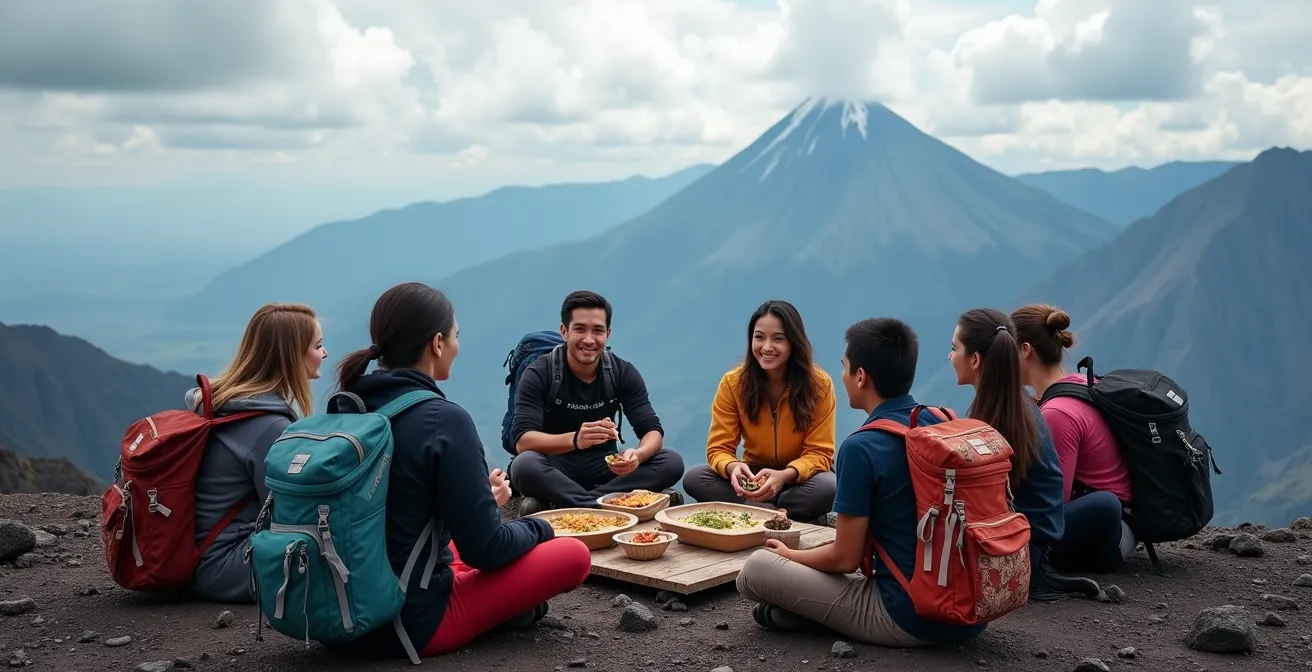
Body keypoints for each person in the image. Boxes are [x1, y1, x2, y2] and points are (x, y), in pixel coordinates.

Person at [332, 282, 591, 659]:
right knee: (573, 555)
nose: (456, 345)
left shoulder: (348, 406)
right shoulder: (443, 420)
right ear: (437, 343)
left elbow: (394, 509)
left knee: (456, 549)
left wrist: (481, 500)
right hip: (412, 623)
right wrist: (543, 527)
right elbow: (487, 548)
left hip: (338, 612)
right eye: (455, 336)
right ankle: (501, 610)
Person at [736, 317, 983, 646]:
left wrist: (789, 555)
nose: (843, 376)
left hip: (909, 617)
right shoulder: (941, 420)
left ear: (861, 377)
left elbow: (844, 559)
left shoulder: (860, 448)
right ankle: (805, 612)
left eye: (845, 367)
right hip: (972, 609)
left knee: (757, 569)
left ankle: (810, 615)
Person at [949, 307, 1100, 599]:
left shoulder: (994, 420)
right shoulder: (1018, 408)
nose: (950, 357)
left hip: (1018, 548)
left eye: (954, 349)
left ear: (976, 360)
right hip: (1035, 544)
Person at [188, 302, 326, 603]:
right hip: (227, 565)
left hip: (200, 556)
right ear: (292, 356)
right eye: (317, 346)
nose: (324, 354)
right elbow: (288, 515)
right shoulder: (269, 427)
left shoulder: (220, 403)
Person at [509, 290, 684, 514]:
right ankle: (613, 502)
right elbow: (523, 441)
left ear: (608, 334)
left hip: (606, 465)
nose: (589, 340)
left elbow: (652, 431)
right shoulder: (539, 373)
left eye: (598, 331)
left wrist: (636, 457)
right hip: (556, 465)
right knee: (524, 465)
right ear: (564, 331)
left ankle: (574, 504)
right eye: (580, 329)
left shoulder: (622, 372)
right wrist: (575, 439)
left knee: (671, 461)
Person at [684, 300, 837, 523]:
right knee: (696, 478)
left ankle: (756, 508)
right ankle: (771, 508)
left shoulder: (819, 385)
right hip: (753, 475)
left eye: (778, 338)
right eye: (759, 337)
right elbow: (718, 448)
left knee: (827, 487)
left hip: (797, 478)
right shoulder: (733, 383)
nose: (766, 347)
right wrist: (733, 467)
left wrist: (785, 475)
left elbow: (820, 453)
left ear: (794, 342)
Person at [1012, 303, 1136, 573]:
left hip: (1108, 535)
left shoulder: (1057, 413)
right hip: (1124, 523)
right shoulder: (1081, 384)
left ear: (1025, 350)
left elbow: (1055, 501)